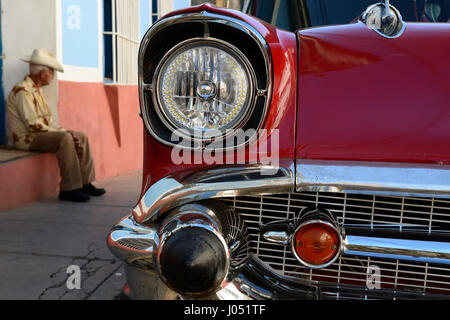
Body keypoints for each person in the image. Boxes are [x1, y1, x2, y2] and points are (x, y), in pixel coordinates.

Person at [6, 48, 105, 202]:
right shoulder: (22, 91)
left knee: (80, 136)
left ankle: (85, 183)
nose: (52, 76)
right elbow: (33, 125)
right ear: (42, 73)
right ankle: (69, 189)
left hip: (38, 134)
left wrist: (65, 131)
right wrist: (64, 133)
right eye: (51, 72)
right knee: (65, 139)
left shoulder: (36, 91)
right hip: (26, 138)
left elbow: (46, 122)